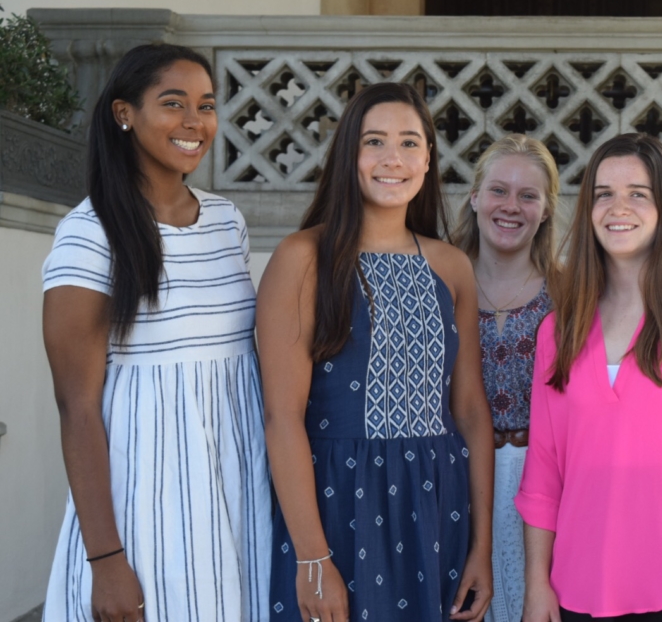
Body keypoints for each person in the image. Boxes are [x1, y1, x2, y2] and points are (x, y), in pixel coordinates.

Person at [41, 43, 271, 621]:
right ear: (125, 113)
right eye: (173, 104)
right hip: (148, 505)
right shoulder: (89, 233)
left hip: (238, 492)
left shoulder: (226, 221)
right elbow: (78, 409)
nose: (195, 122)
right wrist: (107, 559)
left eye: (206, 105)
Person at [259, 82, 495, 622]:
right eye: (375, 142)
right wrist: (313, 558)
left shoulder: (451, 266)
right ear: (349, 154)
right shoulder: (303, 258)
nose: (395, 159)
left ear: (429, 158)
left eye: (410, 143)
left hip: (436, 509)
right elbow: (281, 416)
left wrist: (480, 546)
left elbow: (470, 412)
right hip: (338, 506)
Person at [516, 133, 662, 622]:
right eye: (603, 193)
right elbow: (543, 474)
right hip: (575, 589)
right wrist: (537, 585)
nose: (616, 207)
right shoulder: (558, 331)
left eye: (637, 193)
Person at [452, 135, 559, 622]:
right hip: (455, 480)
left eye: (528, 195)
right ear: (474, 197)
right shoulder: (438, 282)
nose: (511, 206)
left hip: (542, 488)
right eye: (498, 190)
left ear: (546, 209)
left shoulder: (571, 293)